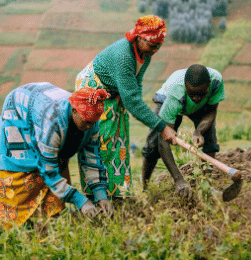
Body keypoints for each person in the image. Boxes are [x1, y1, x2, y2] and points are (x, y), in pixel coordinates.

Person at [0, 82, 114, 230]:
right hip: (19, 109)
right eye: (86, 122)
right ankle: (5, 223)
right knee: (25, 170)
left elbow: (92, 158)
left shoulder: (91, 121)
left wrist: (101, 196)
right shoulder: (52, 122)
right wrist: (81, 201)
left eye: (92, 123)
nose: (89, 127)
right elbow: (48, 170)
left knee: (59, 160)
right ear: (74, 111)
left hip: (41, 105)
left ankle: (49, 218)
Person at [75, 15, 177, 198]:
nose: (155, 50)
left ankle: (117, 192)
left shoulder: (144, 54)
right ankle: (95, 194)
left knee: (119, 139)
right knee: (100, 139)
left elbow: (135, 86)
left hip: (115, 92)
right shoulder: (123, 56)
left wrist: (137, 106)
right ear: (139, 37)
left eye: (158, 46)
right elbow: (131, 100)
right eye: (152, 45)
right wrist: (162, 127)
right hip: (94, 89)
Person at [141, 64, 226, 198]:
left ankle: (205, 186)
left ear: (208, 86)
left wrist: (199, 131)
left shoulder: (216, 82)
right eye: (192, 94)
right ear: (186, 87)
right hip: (168, 100)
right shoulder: (176, 92)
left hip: (199, 107)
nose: (196, 98)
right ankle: (145, 189)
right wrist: (178, 179)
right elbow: (164, 141)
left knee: (209, 141)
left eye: (201, 94)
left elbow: (211, 111)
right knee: (153, 145)